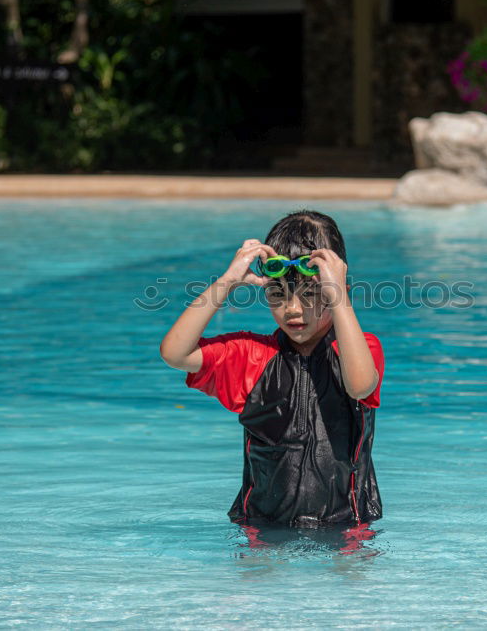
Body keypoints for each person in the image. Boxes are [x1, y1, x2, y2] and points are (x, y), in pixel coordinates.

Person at [159, 210, 385, 530]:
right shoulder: (252, 356)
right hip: (262, 524)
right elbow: (175, 353)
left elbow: (360, 386)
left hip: (348, 522)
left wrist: (339, 296)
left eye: (311, 294)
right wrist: (226, 282)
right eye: (277, 294)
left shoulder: (359, 350)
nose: (293, 309)